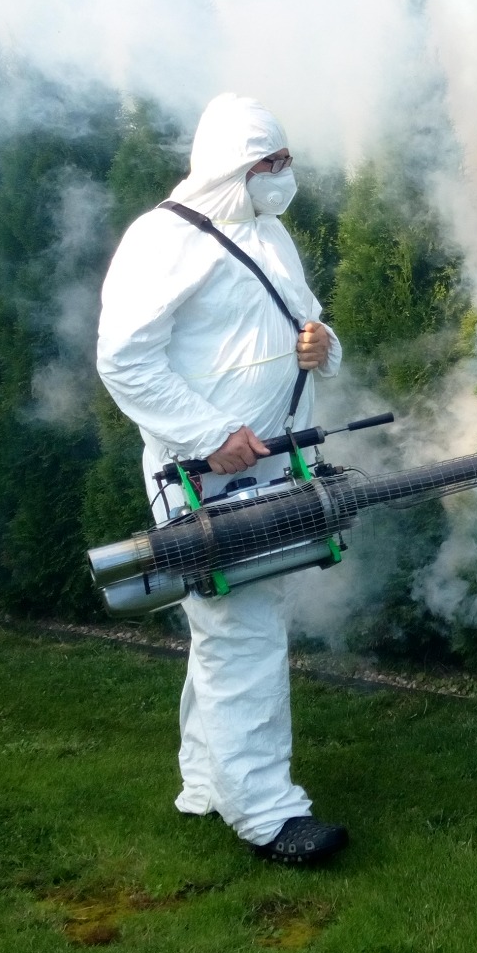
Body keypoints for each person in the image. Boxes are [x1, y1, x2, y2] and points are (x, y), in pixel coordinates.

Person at [95, 93, 349, 867]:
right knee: (244, 631)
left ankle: (209, 782)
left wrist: (321, 344)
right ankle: (267, 814)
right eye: (271, 164)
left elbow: (308, 320)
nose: (285, 175)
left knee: (223, 625)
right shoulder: (161, 241)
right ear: (235, 168)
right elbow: (124, 360)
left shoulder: (268, 233)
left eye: (285, 162)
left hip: (274, 461)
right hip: (202, 476)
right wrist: (212, 439)